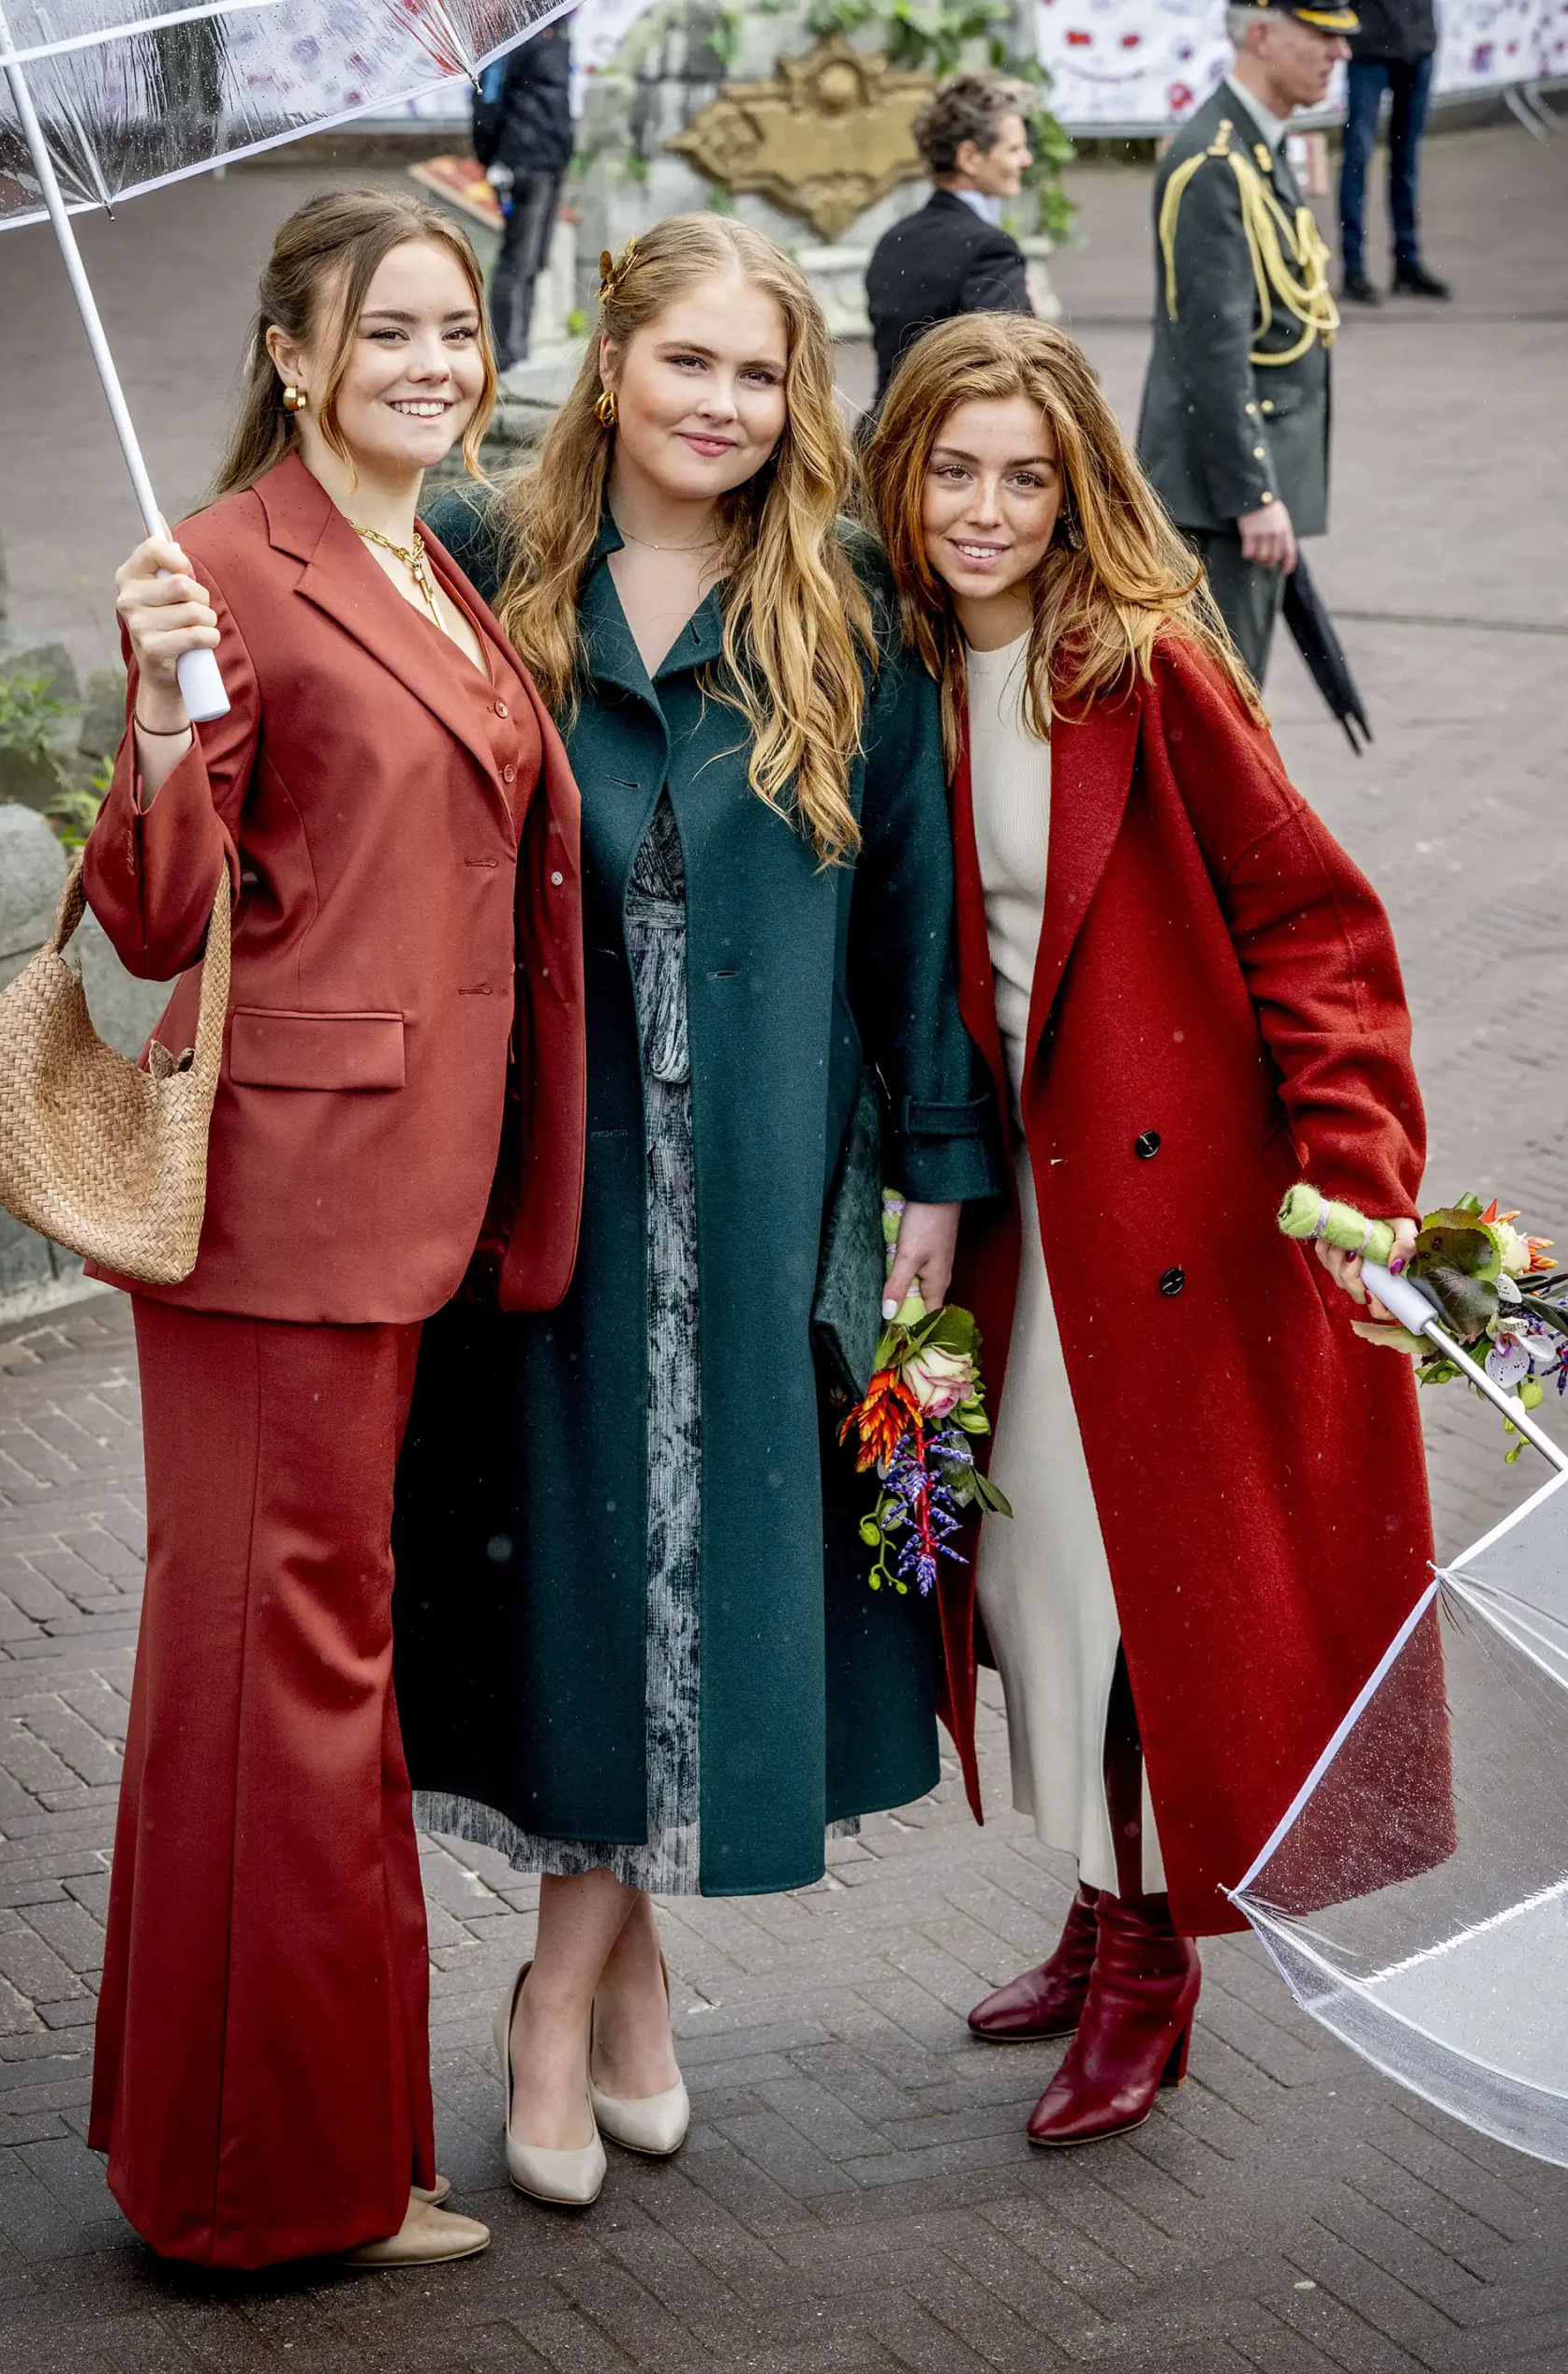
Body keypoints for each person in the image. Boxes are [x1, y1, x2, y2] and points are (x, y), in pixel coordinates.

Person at [391, 214, 1001, 2210]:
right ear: (610, 359)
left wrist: (932, 1169)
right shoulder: (488, 563)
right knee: (587, 1570)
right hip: (542, 1173)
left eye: (760, 373)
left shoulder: (850, 609)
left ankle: (554, 1999)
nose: (723, 407)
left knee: (711, 1574)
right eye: (689, 365)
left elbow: (912, 916)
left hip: (763, 1175)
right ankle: (609, 1989)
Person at [865, 311, 1442, 2146]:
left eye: (1021, 476)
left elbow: (1311, 923)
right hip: (988, 1215)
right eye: (951, 468)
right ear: (901, 472)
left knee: (1111, 1596)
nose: (981, 507)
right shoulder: (880, 671)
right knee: (1025, 1591)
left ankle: (1150, 1961)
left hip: (1166, 1215)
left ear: (1073, 490)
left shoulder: (1141, 667)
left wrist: (1354, 1165)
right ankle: (1101, 1906)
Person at [81, 188, 584, 2269]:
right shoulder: (221, 565)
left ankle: (309, 2141)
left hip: (402, 1198)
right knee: (275, 1665)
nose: (435, 364)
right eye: (387, 329)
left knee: (307, 1663)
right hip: (282, 1211)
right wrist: (152, 707)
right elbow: (151, 909)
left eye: (457, 328)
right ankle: (260, 2182)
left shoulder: (424, 553)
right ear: (293, 352)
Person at [1137, 0, 1354, 685]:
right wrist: (1252, 493)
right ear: (1261, 34)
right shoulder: (1214, 163)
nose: (1338, 54)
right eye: (1320, 35)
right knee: (1220, 708)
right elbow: (1210, 348)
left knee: (1229, 701)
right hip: (1219, 495)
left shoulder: (1252, 144)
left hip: (1235, 490)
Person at [865, 71, 1035, 408]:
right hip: (943, 442)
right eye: (1014, 148)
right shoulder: (990, 249)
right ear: (970, 158)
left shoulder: (894, 239)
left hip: (881, 435)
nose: (1025, 160)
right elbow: (1016, 367)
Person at [472, 17, 575, 370]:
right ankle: (504, 353)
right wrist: (492, 158)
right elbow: (489, 98)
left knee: (534, 261)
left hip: (551, 163)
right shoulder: (507, 36)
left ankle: (521, 349)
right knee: (515, 261)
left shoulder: (557, 32)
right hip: (518, 162)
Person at [1339, 0, 1449, 305]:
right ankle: (1353, 269)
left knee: (1406, 161)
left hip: (1417, 47)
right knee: (1358, 159)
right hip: (1369, 49)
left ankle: (1407, 264)